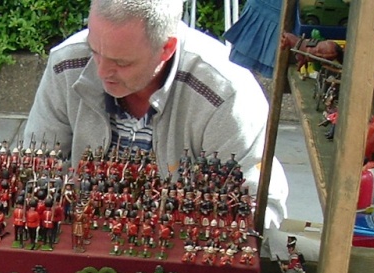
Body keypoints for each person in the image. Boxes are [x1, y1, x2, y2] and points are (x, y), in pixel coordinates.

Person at [24, 0, 288, 228]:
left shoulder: (226, 93)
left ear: (166, 48)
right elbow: (35, 170)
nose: (102, 71)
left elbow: (261, 206)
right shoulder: (66, 64)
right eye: (95, 50)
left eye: (122, 62)